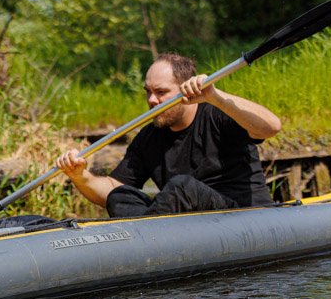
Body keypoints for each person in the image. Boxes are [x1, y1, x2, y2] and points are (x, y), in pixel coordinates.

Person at [54, 53, 282, 217]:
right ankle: (145, 238)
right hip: (187, 224)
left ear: (185, 90)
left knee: (182, 186)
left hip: (244, 215)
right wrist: (80, 176)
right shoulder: (149, 136)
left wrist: (215, 96)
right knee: (119, 195)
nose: (152, 100)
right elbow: (113, 187)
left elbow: (271, 127)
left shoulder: (218, 114)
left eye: (161, 92)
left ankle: (144, 236)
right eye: (148, 92)